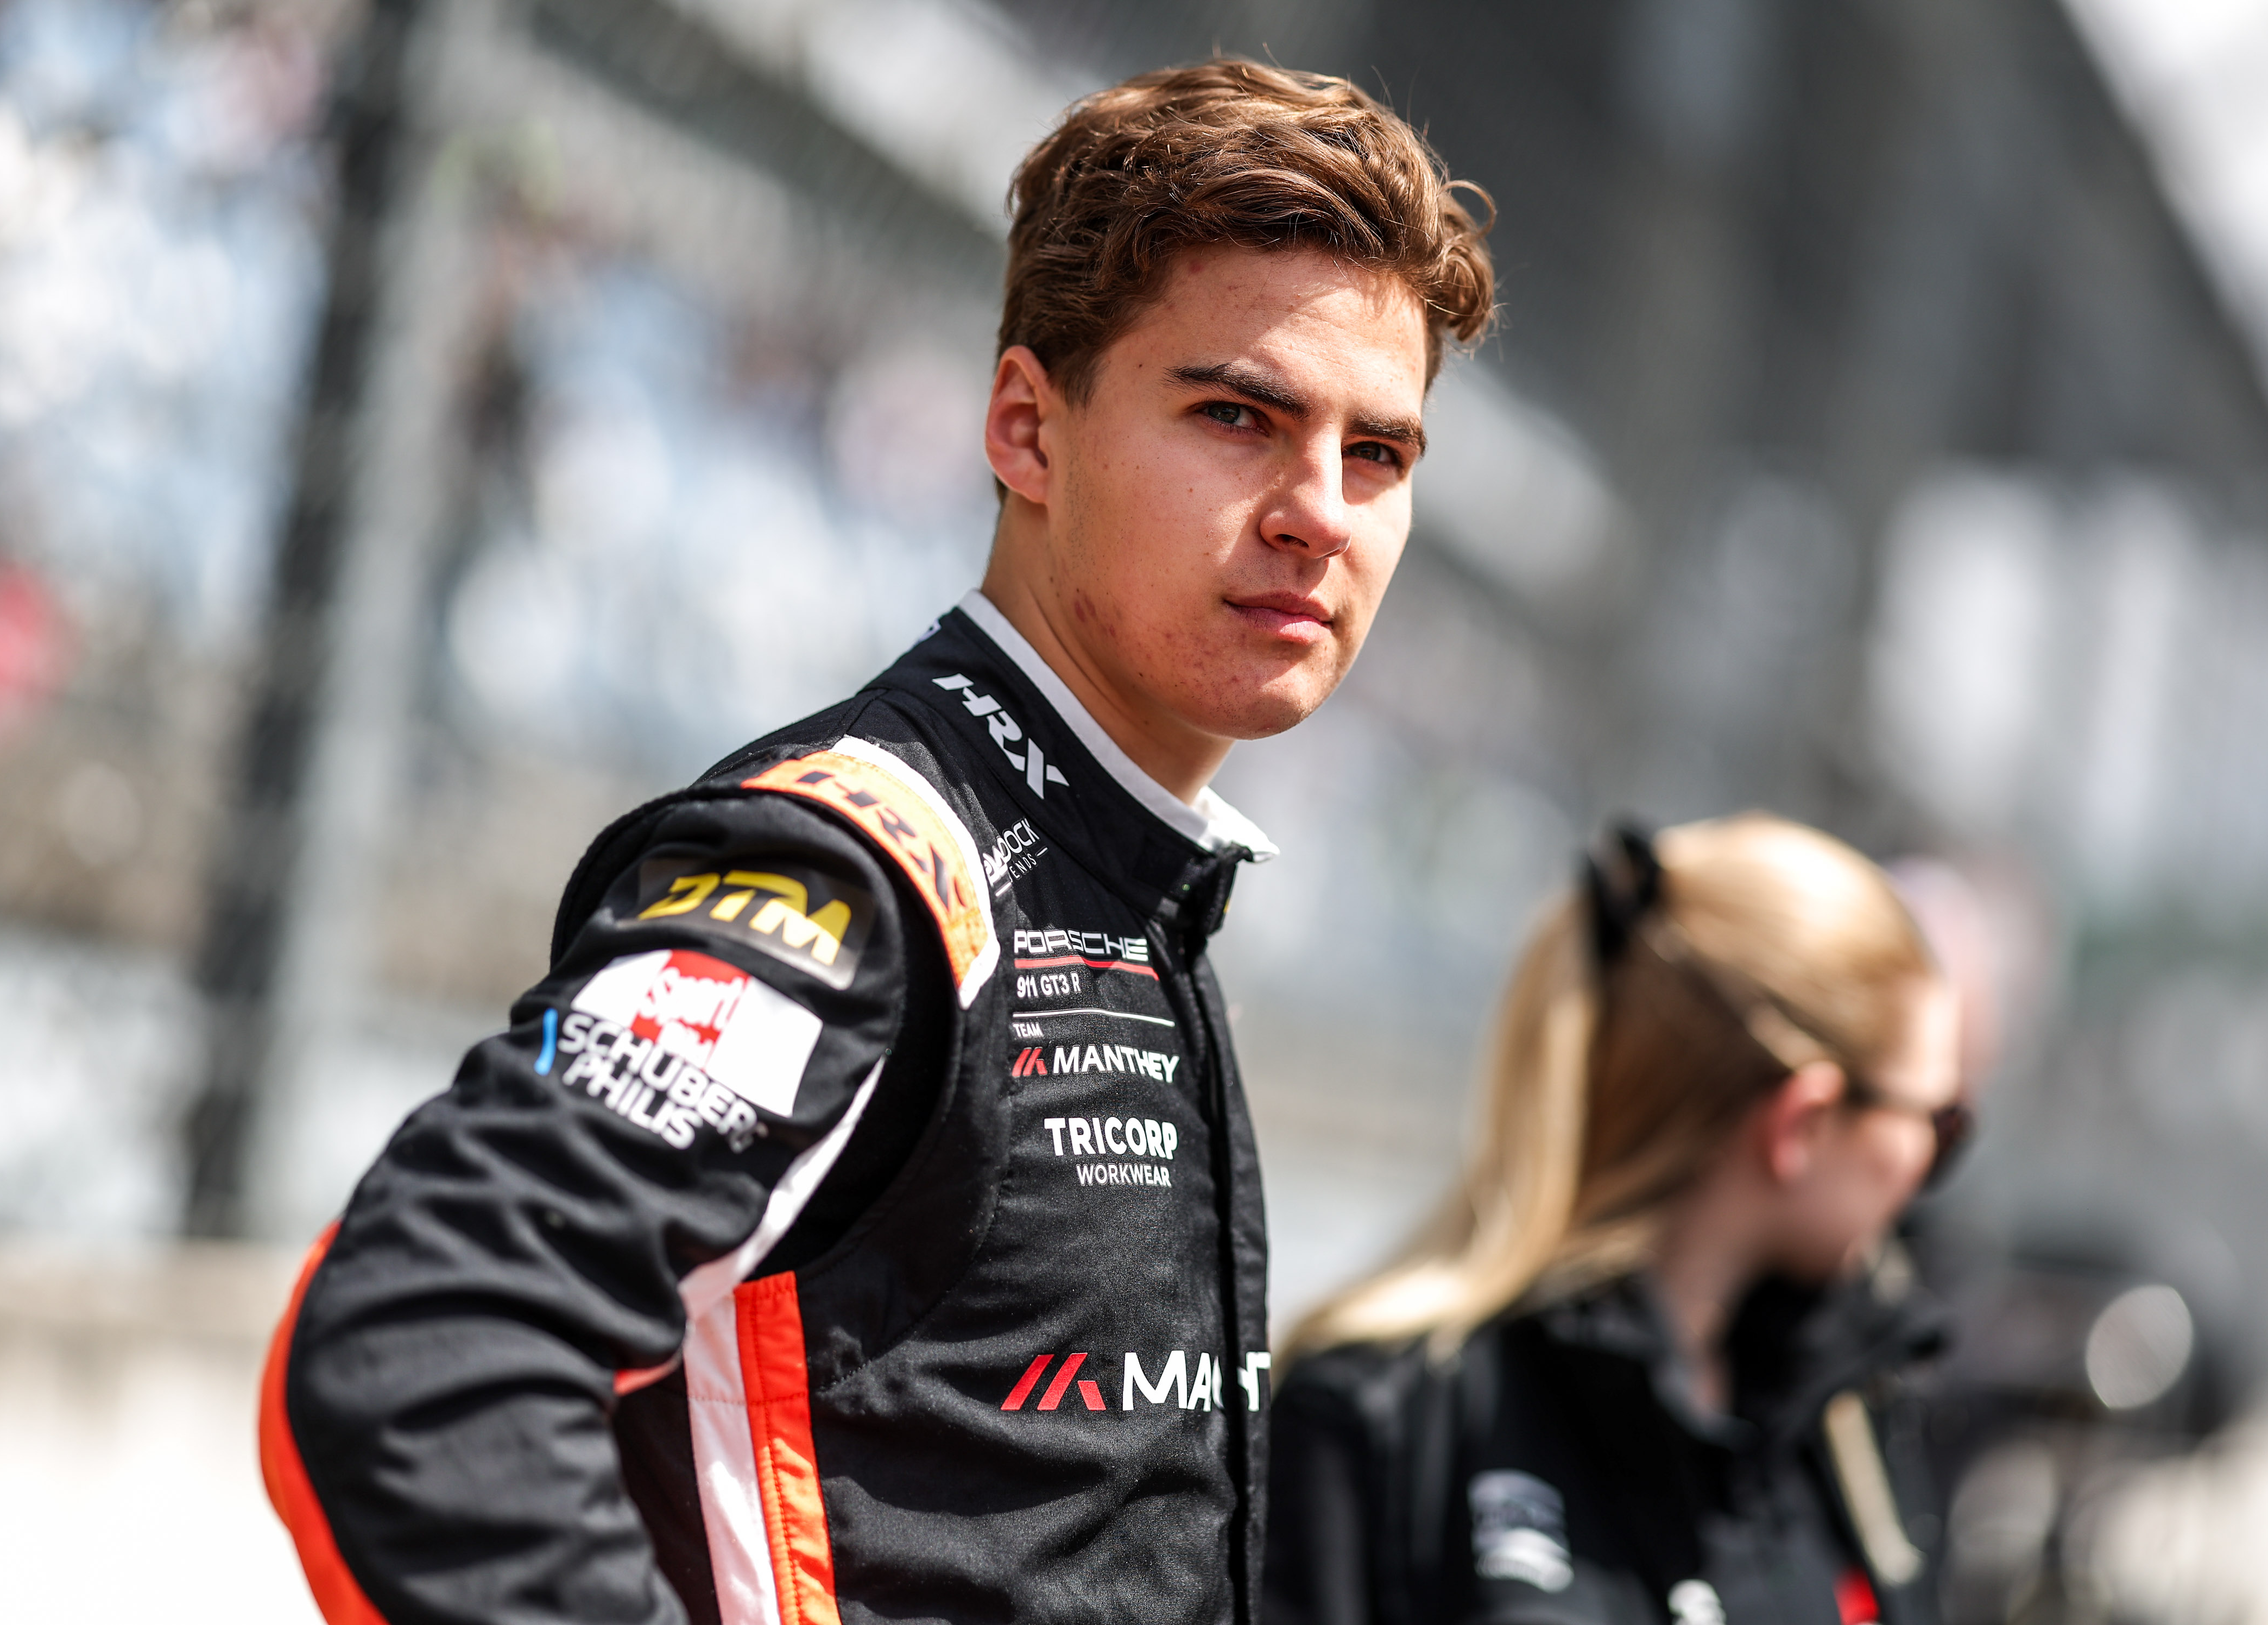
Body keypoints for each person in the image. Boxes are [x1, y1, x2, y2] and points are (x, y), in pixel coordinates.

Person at [260, 60, 1493, 1625]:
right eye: (1238, 416)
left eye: (1377, 454)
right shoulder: (869, 870)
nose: (1318, 510)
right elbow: (417, 1347)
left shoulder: (1130, 879)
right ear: (1027, 429)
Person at [1267, 815, 1970, 1625]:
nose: (1929, 1165)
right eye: (1941, 1122)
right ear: (1802, 1125)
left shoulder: (1845, 1421)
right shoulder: (1383, 1415)